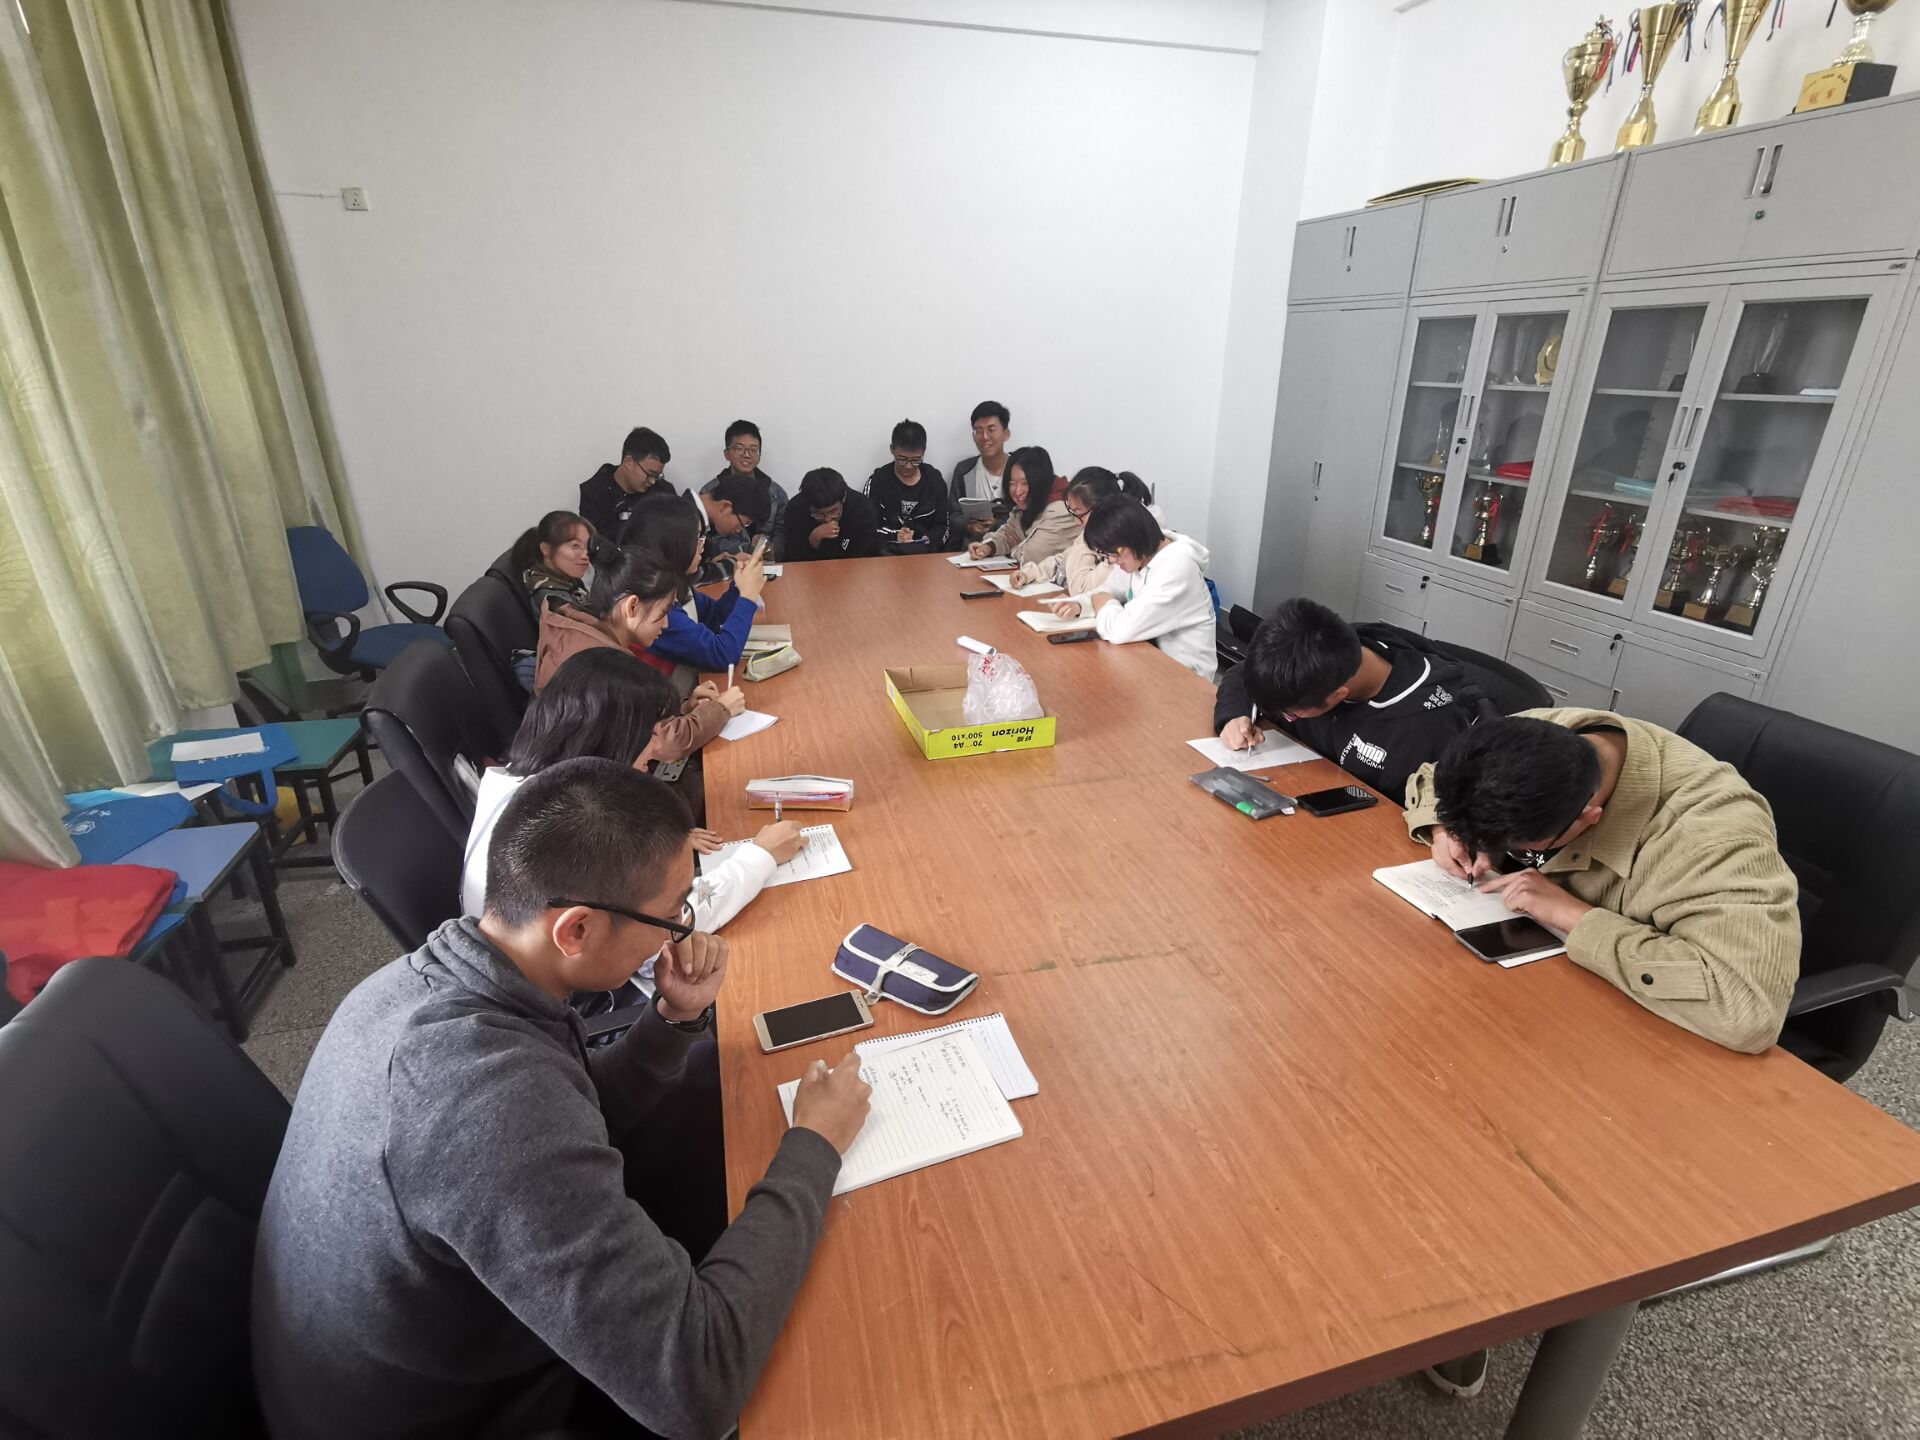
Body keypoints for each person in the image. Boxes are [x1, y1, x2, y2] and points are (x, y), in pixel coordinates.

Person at [252, 757, 872, 1439]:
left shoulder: (426, 982)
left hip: (438, 1341)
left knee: (712, 1102)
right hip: (466, 1413)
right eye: (673, 913)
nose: (683, 930)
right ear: (575, 930)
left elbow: (571, 1107)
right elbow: (698, 1385)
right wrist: (815, 1145)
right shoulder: (482, 1101)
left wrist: (671, 1018)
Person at [1407, 710, 1800, 1055]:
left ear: (1588, 818)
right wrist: (1444, 829)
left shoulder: (1713, 840)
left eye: (1519, 844)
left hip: (1631, 1042)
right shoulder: (1537, 734)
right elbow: (1433, 776)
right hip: (1529, 991)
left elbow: (1747, 1010)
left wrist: (1575, 916)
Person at [461, 649, 803, 938]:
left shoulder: (521, 779)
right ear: (614, 737)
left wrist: (659, 839)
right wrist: (760, 857)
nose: (657, 748)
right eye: (652, 733)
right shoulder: (573, 825)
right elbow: (668, 926)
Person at [1213, 599, 1497, 803]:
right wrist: (1235, 714)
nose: (1288, 716)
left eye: (1292, 713)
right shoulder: (1328, 648)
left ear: (1338, 696)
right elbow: (1243, 673)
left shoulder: (1422, 731)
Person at [532, 545, 740, 767]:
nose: (666, 624)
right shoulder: (603, 666)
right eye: (663, 613)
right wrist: (721, 710)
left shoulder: (581, 632)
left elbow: (637, 719)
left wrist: (683, 708)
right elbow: (666, 744)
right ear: (632, 607)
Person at [1047, 496, 1215, 680]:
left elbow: (1121, 630)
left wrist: (1104, 603)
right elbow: (1105, 591)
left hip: (1185, 679)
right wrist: (1079, 604)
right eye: (1105, 553)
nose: (1112, 560)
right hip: (1146, 660)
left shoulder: (1176, 567)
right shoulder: (1137, 554)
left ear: (1134, 537)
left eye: (1113, 553)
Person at [621, 490, 769, 673]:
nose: (702, 547)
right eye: (697, 538)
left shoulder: (674, 584)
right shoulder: (653, 605)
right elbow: (723, 656)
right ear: (673, 544)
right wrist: (747, 597)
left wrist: (739, 586)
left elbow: (713, 616)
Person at [1014, 467, 1152, 593]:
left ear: (1102, 508)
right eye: (1072, 512)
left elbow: (1080, 589)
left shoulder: (1121, 552)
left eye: (1079, 513)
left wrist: (1086, 541)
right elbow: (1064, 559)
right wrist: (1030, 573)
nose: (1076, 521)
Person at [967, 445, 1076, 573]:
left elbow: (1031, 556)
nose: (1018, 491)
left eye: (1025, 483)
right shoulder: (1028, 504)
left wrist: (1015, 545)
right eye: (1012, 483)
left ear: (1040, 482)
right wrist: (988, 547)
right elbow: (1008, 534)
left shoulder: (1062, 509)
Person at [701, 420, 788, 560]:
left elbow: (782, 535)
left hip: (764, 564)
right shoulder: (709, 491)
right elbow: (704, 540)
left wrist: (771, 549)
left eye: (753, 450)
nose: (747, 454)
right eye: (739, 448)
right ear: (726, 454)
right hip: (725, 563)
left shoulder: (776, 494)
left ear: (759, 455)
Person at [866, 418, 952, 551]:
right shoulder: (878, 481)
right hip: (886, 554)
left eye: (916, 460)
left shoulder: (935, 481)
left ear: (923, 452)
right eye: (902, 459)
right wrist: (895, 535)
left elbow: (944, 525)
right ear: (892, 450)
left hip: (926, 553)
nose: (908, 466)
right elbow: (867, 526)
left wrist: (929, 539)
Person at [578, 426, 673, 536]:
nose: (653, 482)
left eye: (657, 476)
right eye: (650, 474)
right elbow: (594, 541)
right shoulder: (594, 494)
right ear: (629, 462)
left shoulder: (664, 492)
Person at [784, 468, 881, 561]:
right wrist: (813, 540)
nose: (827, 519)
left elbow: (867, 554)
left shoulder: (862, 508)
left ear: (843, 499)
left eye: (833, 512)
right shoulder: (795, 508)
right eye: (818, 514)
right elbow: (792, 557)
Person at [950, 401, 1012, 541]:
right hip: (974, 547)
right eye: (979, 431)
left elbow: (1029, 516)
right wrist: (969, 526)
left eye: (991, 430)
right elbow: (953, 515)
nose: (984, 437)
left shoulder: (1020, 469)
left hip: (1013, 547)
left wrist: (997, 524)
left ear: (1006, 434)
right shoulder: (964, 470)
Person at [511, 509, 595, 614]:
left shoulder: (565, 577)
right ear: (546, 549)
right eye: (575, 546)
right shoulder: (552, 599)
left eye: (588, 546)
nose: (586, 555)